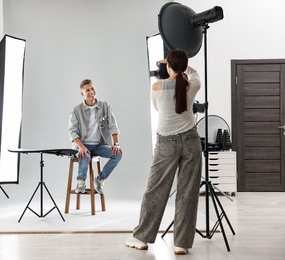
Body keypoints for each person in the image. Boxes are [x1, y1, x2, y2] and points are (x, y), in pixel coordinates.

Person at [126, 49, 202, 255]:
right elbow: (193, 75)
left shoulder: (157, 86)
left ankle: (141, 238)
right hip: (191, 142)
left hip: (166, 143)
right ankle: (181, 244)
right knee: (188, 194)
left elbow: (158, 108)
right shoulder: (192, 85)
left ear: (168, 66)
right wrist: (183, 67)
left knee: (155, 190)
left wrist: (170, 67)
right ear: (184, 67)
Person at [68, 79, 122, 195]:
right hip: (81, 145)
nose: (91, 91)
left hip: (99, 146)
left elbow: (113, 126)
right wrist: (82, 147)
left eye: (92, 88)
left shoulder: (105, 106)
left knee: (118, 154)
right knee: (85, 155)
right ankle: (80, 182)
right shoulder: (76, 110)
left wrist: (116, 144)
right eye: (87, 90)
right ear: (82, 93)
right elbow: (72, 132)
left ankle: (100, 179)